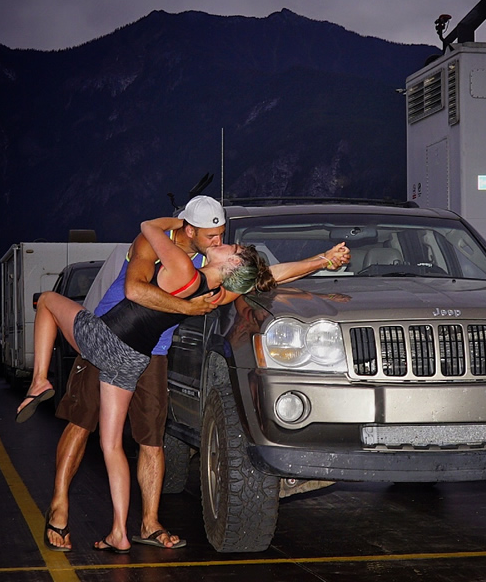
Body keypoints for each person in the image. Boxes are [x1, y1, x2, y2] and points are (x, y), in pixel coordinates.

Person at [35, 196, 351, 551]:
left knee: (150, 439)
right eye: (212, 235)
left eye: (222, 236)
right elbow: (135, 291)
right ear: (190, 228)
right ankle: (59, 508)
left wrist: (322, 260)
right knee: (81, 423)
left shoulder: (212, 274)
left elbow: (267, 275)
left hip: (151, 352)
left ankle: (147, 523)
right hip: (111, 332)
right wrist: (188, 306)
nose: (219, 240)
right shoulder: (157, 248)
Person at [18, 212, 276, 555]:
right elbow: (268, 275)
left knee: (47, 301)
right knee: (111, 447)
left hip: (105, 339)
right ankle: (118, 533)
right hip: (134, 359)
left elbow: (146, 228)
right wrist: (318, 261)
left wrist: (181, 220)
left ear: (231, 263)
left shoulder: (184, 269)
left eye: (228, 244)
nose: (221, 242)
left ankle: (38, 381)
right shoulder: (213, 292)